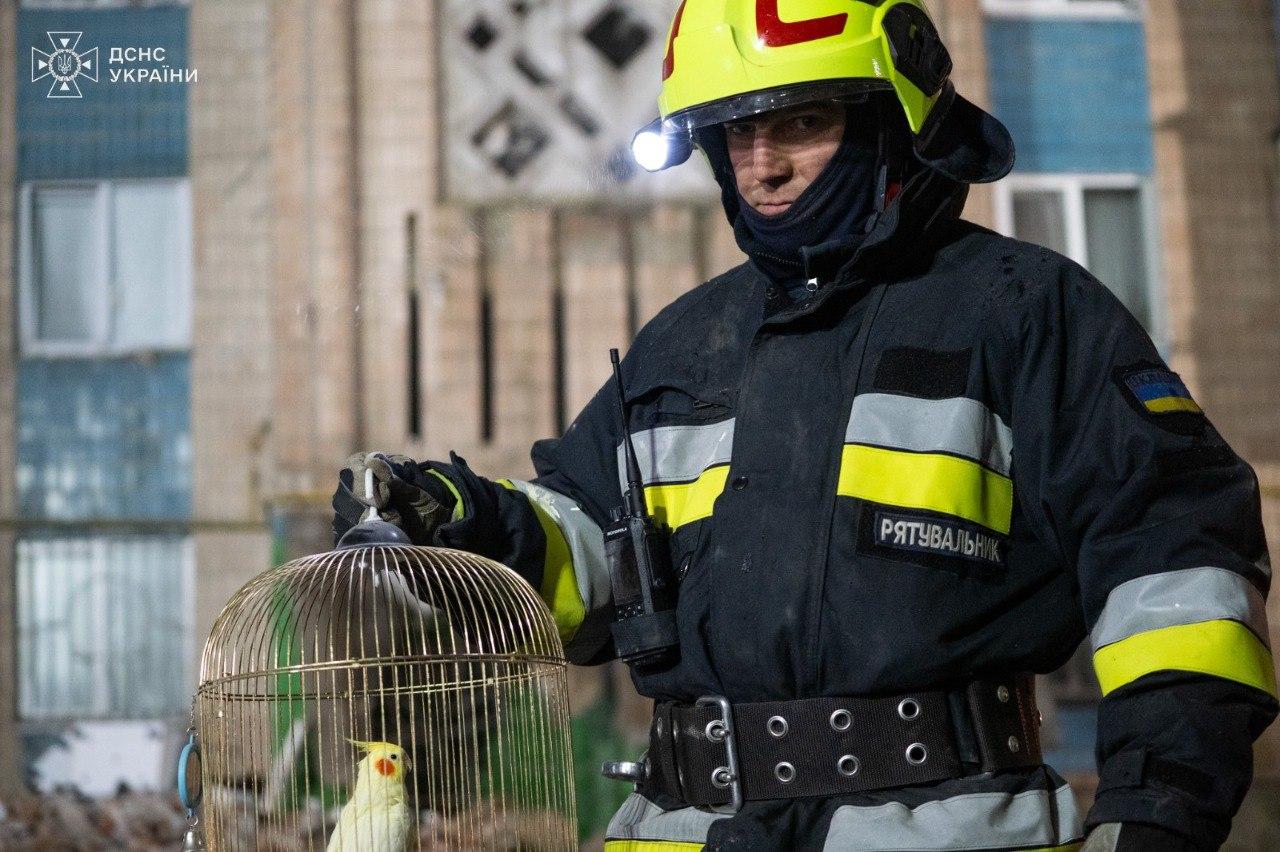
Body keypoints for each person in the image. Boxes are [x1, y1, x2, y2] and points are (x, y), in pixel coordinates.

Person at [332, 1, 1277, 849]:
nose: (764, 166)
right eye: (735, 133)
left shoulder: (1025, 313)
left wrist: (1157, 815)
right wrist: (459, 520)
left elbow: (1178, 574)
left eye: (804, 122)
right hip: (683, 829)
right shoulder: (682, 343)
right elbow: (588, 563)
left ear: (891, 122)